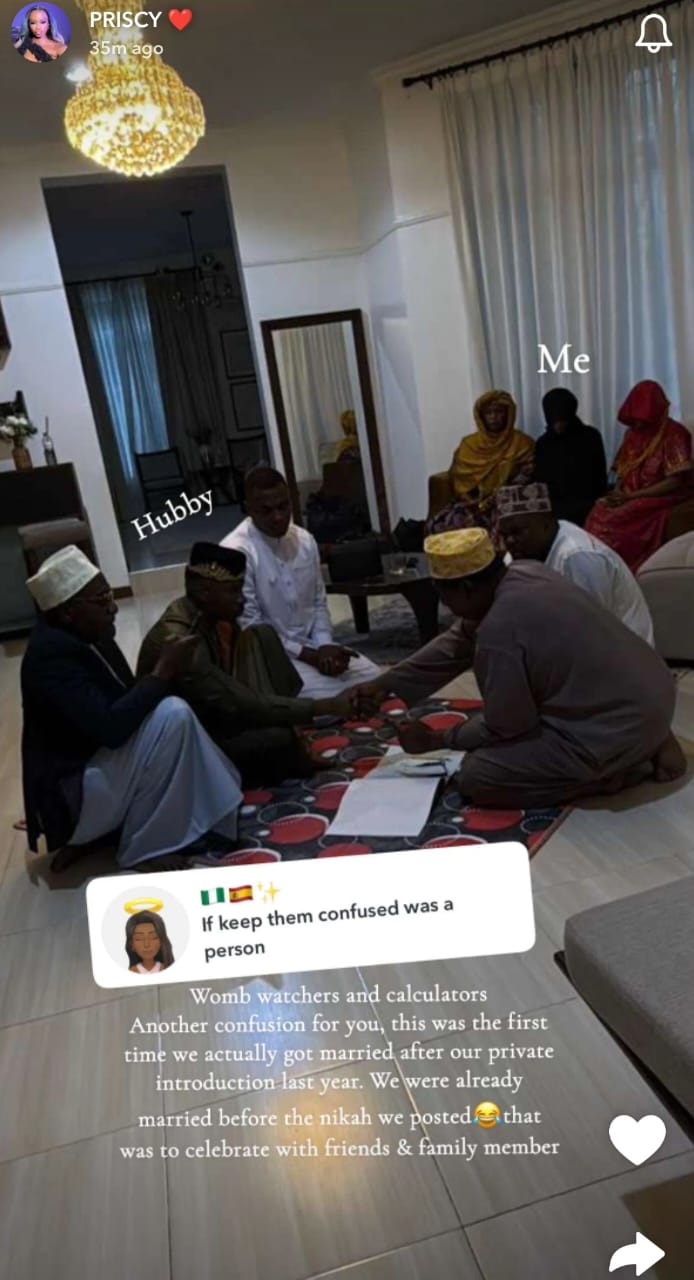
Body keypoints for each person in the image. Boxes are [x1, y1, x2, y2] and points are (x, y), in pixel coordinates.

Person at [353, 528, 685, 808]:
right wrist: (387, 685)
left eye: (443, 594)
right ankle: (650, 740)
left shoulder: (499, 630)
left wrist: (436, 739)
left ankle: (612, 773)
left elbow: (508, 726)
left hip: (612, 729)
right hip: (654, 698)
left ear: (466, 589)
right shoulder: (527, 572)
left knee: (477, 776)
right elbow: (456, 642)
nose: (445, 605)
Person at [21, 546, 244, 873]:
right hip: (72, 798)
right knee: (173, 715)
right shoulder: (51, 655)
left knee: (169, 716)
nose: (113, 607)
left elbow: (126, 701)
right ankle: (145, 847)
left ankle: (204, 810)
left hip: (94, 775)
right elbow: (111, 729)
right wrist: (162, 671)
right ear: (68, 612)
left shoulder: (88, 631)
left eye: (110, 595)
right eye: (102, 601)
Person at [136, 542, 353, 782]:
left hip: (215, 716)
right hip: (189, 744)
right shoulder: (181, 641)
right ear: (204, 591)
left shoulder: (210, 615)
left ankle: (292, 736)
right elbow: (236, 701)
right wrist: (325, 706)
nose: (242, 600)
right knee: (278, 739)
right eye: (233, 591)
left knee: (262, 635)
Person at [221, 467, 381, 698]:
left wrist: (325, 644)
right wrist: (308, 655)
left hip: (314, 650)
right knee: (327, 695)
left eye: (283, 506)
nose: (278, 517)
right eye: (266, 510)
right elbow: (253, 629)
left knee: (375, 677)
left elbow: (318, 601)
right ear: (248, 509)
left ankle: (336, 703)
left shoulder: (305, 541)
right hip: (270, 659)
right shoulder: (236, 552)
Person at [497, 482, 654, 644]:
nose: (510, 541)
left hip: (619, 648)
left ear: (545, 523)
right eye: (504, 535)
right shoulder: (519, 555)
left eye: (518, 532)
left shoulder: (578, 556)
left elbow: (592, 630)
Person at [585, 380, 693, 571]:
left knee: (616, 517)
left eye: (643, 418)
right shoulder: (632, 433)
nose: (638, 423)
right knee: (599, 509)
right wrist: (618, 492)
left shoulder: (675, 433)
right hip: (629, 493)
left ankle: (621, 568)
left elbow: (675, 481)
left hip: (662, 496)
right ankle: (596, 566)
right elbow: (622, 469)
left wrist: (631, 496)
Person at [428, 390, 534, 536]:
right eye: (488, 413)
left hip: (505, 502)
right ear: (481, 416)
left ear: (508, 414)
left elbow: (527, 475)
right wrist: (471, 501)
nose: (493, 417)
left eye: (498, 412)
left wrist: (497, 497)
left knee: (498, 528)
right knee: (441, 525)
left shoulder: (521, 443)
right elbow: (459, 481)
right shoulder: (469, 445)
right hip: (471, 503)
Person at [532, 388, 607, 525]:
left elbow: (600, 476)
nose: (559, 425)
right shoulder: (543, 443)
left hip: (589, 507)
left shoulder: (590, 437)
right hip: (554, 510)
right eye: (554, 420)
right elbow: (541, 481)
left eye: (563, 420)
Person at [126, 910, 174, 975]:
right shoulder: (133, 971)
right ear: (131, 945)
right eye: (139, 939)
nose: (146, 944)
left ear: (161, 941)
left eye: (154, 937)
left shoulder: (165, 968)